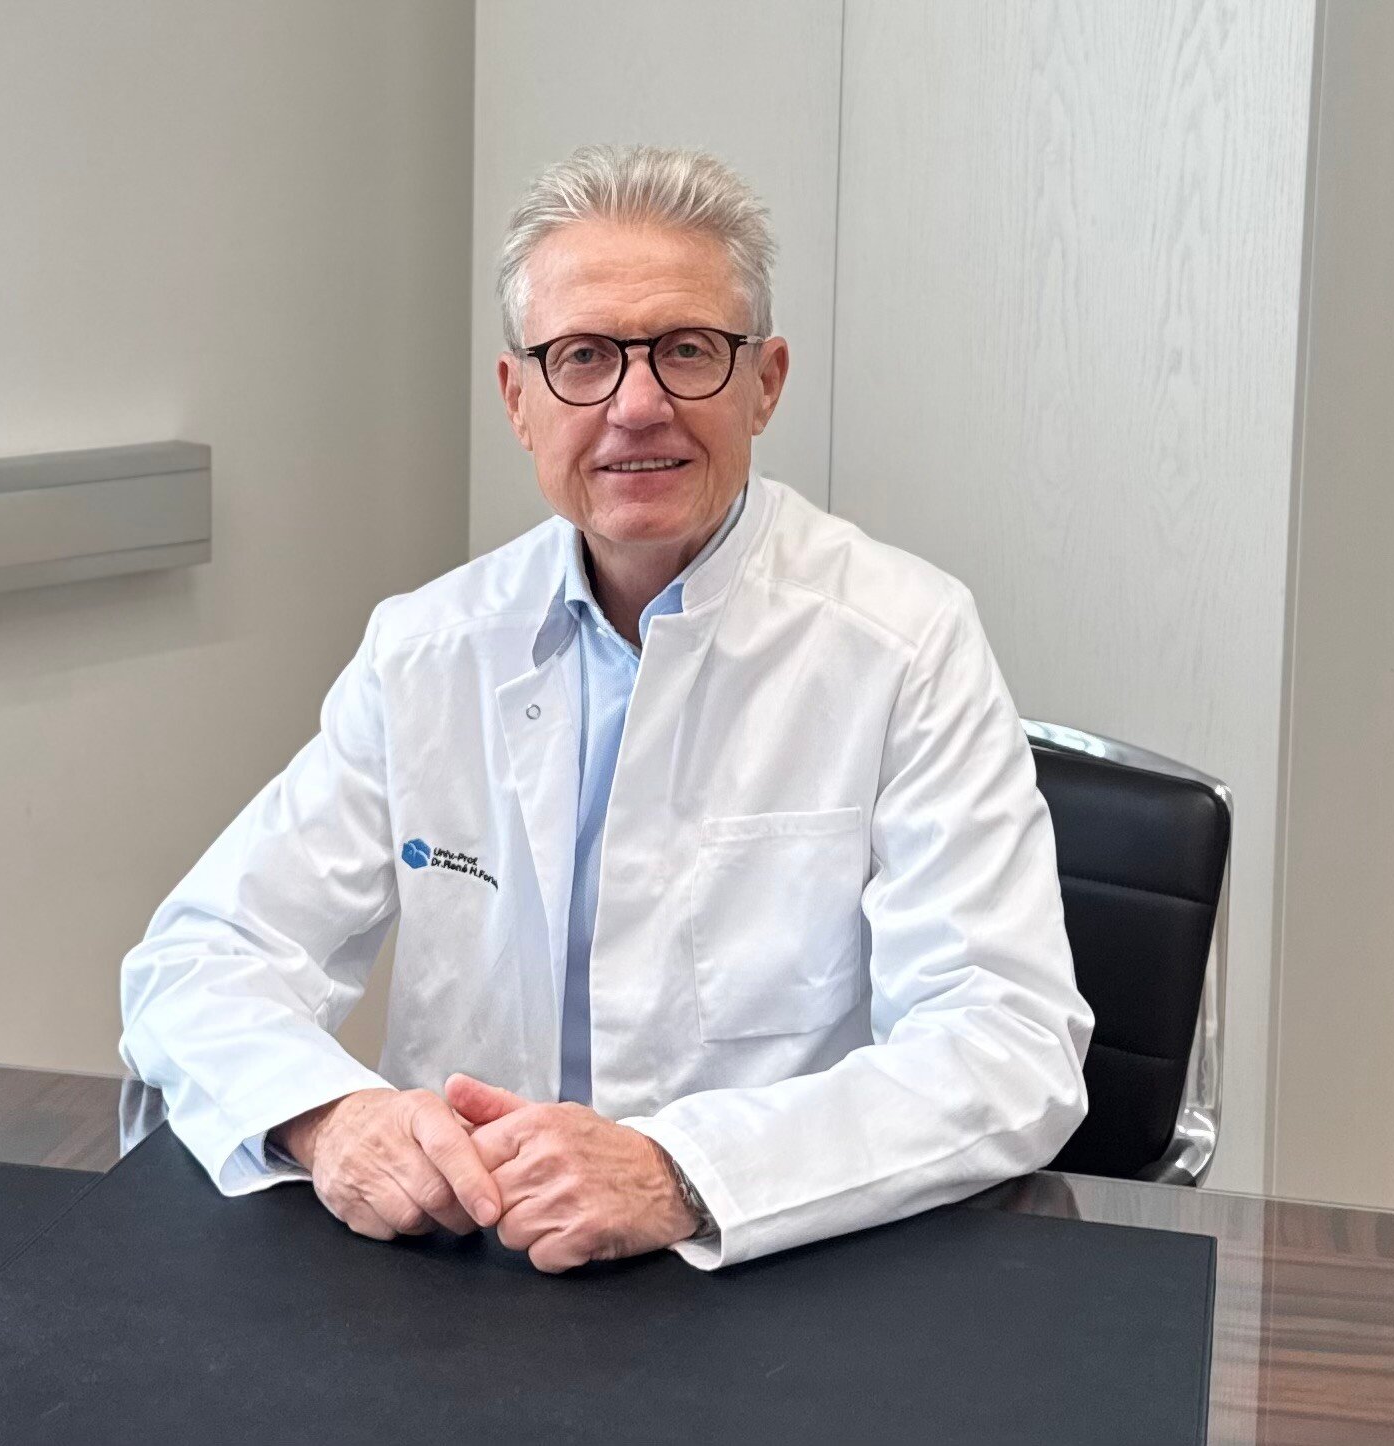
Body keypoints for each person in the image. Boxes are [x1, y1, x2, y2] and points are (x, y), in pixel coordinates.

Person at [120, 144, 1092, 1273]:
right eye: (582, 357)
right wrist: (331, 1117)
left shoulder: (904, 642)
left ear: (765, 383)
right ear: (517, 399)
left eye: (688, 351)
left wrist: (680, 1171)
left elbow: (1008, 1042)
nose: (637, 406)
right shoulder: (427, 649)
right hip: (467, 1274)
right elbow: (201, 957)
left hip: (771, 1266)